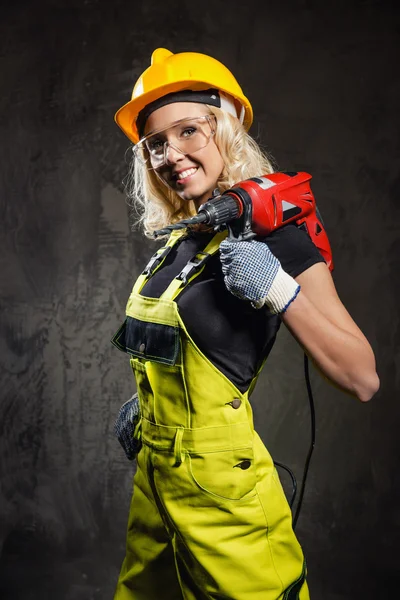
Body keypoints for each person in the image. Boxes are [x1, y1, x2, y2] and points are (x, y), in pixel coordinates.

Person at [111, 48, 379, 600]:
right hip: (156, 484)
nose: (171, 154)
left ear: (226, 127)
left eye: (187, 131)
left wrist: (281, 290)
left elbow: (362, 377)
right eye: (156, 143)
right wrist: (156, 406)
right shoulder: (179, 243)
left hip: (222, 491)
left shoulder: (276, 237)